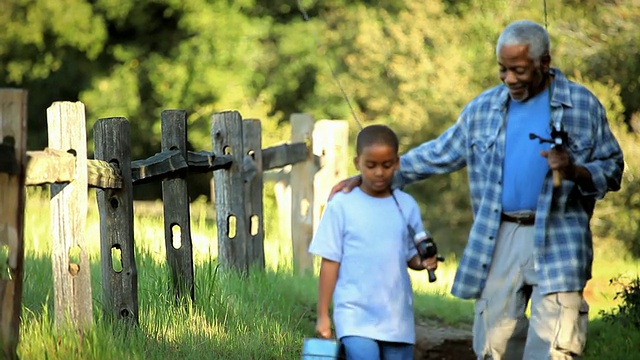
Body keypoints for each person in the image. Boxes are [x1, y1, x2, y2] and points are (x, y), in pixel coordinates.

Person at [330, 20, 624, 359]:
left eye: (518, 70)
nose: (509, 79)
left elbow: (613, 168)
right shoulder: (483, 109)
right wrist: (378, 178)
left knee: (555, 344)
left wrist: (575, 171)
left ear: (545, 64)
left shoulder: (583, 105)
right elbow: (437, 154)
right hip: (500, 234)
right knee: (493, 343)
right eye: (502, 69)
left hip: (560, 233)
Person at [308, 124, 438, 360]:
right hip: (354, 314)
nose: (379, 172)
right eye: (371, 165)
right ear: (357, 163)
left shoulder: (406, 205)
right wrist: (323, 314)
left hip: (397, 317)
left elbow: (410, 256)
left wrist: (424, 261)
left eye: (386, 165)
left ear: (397, 163)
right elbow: (330, 262)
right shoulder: (341, 205)